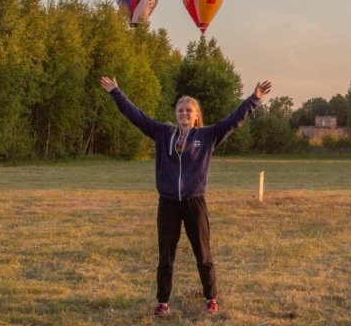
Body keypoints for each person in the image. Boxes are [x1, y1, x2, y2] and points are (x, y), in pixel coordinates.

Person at [99, 75, 272, 317]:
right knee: (165, 255)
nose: (184, 113)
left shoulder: (208, 135)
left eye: (188, 110)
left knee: (203, 254)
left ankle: (211, 298)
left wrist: (254, 99)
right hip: (168, 203)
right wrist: (116, 92)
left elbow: (234, 121)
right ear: (176, 112)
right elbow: (136, 116)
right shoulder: (162, 133)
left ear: (196, 114)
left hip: (195, 202)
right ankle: (162, 302)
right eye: (180, 109)